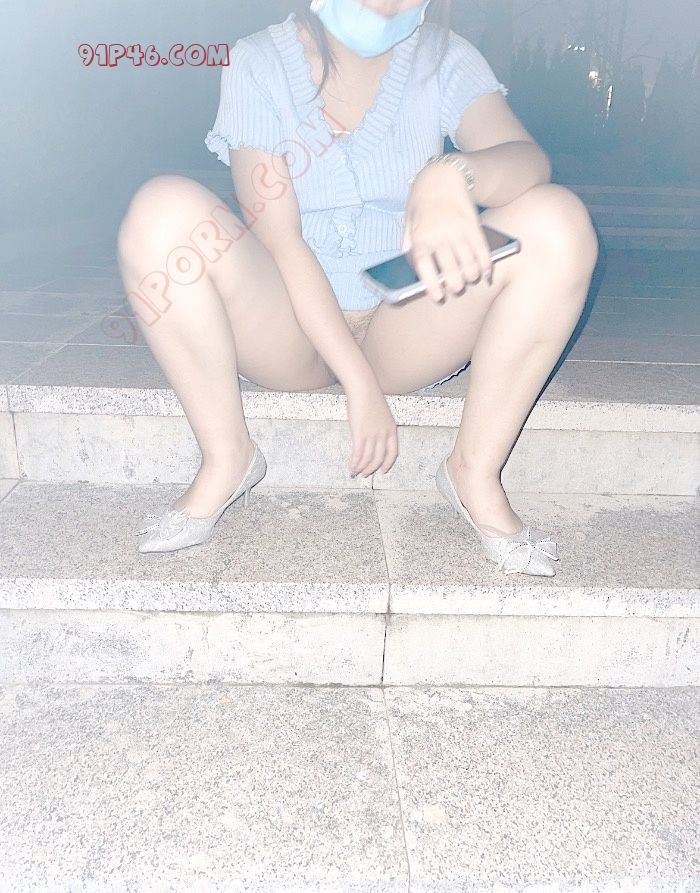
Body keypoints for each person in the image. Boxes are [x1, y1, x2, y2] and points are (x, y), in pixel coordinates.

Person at [118, 0, 599, 574]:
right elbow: (281, 240)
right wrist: (358, 384)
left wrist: (454, 173)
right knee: (161, 211)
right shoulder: (258, 61)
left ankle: (473, 472)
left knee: (559, 222)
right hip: (287, 325)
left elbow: (527, 160)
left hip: (406, 319)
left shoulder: (441, 57)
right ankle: (227, 456)